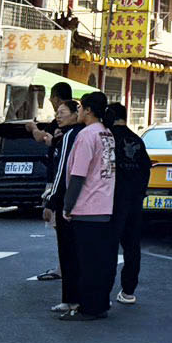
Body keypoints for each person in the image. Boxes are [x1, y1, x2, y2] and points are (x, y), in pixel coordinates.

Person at [60, 91, 117, 320]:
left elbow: (78, 174)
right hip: (104, 205)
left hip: (86, 206)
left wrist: (67, 205)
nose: (79, 111)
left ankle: (88, 308)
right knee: (99, 261)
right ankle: (100, 304)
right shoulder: (107, 134)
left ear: (89, 110)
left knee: (85, 263)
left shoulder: (86, 135)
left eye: (81, 107)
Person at [103, 102, 149, 305]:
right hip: (134, 200)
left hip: (111, 199)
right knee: (132, 247)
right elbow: (146, 169)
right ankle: (128, 291)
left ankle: (104, 291)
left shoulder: (108, 138)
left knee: (109, 247)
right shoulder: (137, 140)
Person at [43, 98, 84, 312]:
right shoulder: (91, 134)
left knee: (68, 253)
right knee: (81, 254)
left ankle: (70, 298)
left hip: (69, 202)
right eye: (57, 112)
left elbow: (62, 173)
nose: (58, 116)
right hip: (88, 203)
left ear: (77, 113)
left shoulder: (70, 136)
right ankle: (82, 297)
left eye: (62, 111)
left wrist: (52, 201)